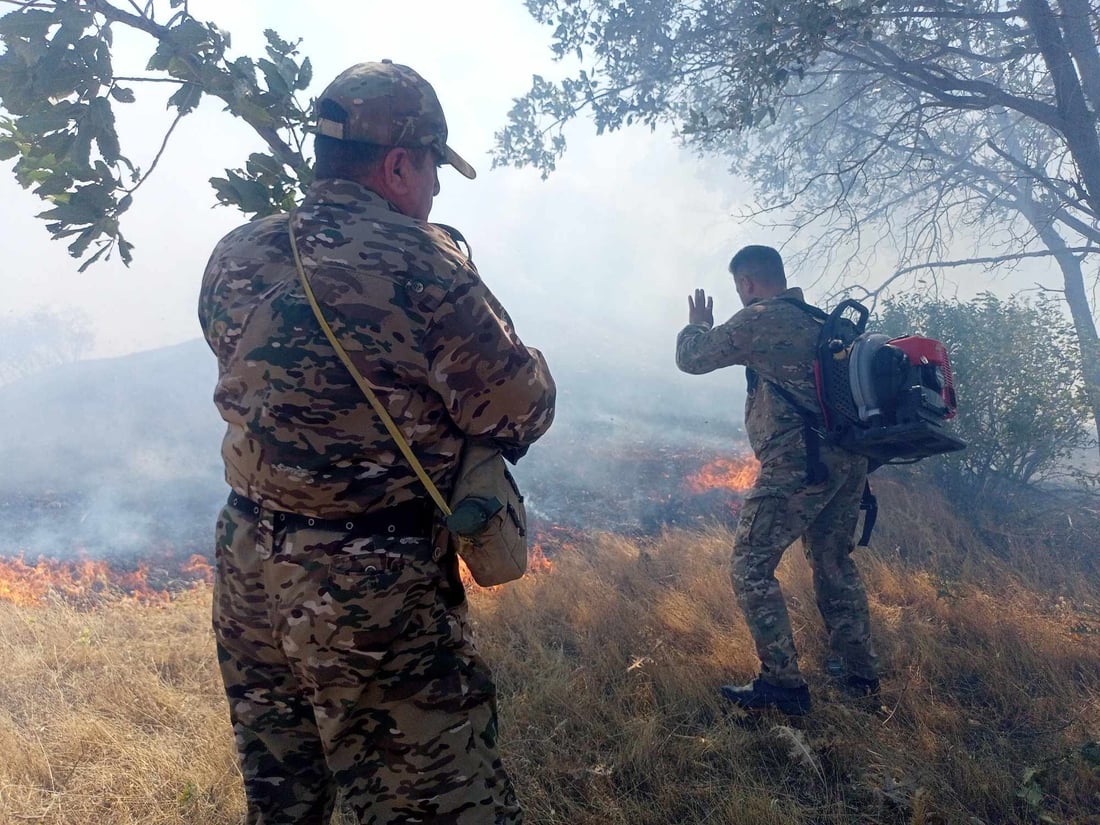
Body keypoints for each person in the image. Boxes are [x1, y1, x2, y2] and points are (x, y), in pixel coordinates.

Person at [198, 60, 555, 824]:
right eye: (431, 170)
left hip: (249, 568)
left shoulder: (236, 253)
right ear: (398, 164)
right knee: (442, 801)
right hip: (374, 585)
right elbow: (520, 408)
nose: (432, 192)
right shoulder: (420, 263)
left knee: (284, 796)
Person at [675, 244, 879, 716]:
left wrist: (697, 324)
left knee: (750, 565)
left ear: (747, 284)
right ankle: (860, 674)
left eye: (739, 288)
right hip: (849, 464)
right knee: (833, 563)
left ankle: (783, 685)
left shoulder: (761, 317)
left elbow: (693, 358)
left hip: (799, 462)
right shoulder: (823, 322)